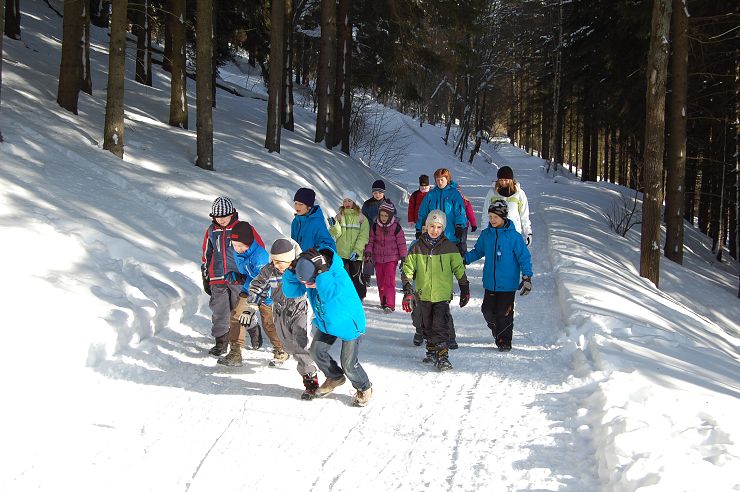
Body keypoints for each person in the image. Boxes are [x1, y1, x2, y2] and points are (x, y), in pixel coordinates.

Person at [283, 247, 374, 407]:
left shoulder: (338, 275)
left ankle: (364, 387)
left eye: (309, 282)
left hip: (348, 325)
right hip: (328, 322)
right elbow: (291, 292)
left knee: (349, 365)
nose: (307, 286)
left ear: (319, 272)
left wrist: (322, 274)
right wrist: (292, 271)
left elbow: (329, 294)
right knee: (316, 351)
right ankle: (335, 377)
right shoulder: (313, 274)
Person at [237, 238, 321, 399]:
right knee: (287, 345)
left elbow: (318, 282)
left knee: (300, 344)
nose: (276, 265)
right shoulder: (270, 270)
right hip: (280, 310)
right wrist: (251, 307)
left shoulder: (300, 268)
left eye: (280, 262)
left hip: (300, 309)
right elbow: (258, 286)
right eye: (274, 261)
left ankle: (310, 380)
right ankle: (292, 354)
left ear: (289, 259)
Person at [402, 210, 469, 371]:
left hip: (442, 295)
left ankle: (442, 356)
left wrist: (464, 288)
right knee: (426, 324)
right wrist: (408, 291)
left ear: (443, 228)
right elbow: (407, 270)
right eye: (432, 226)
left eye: (439, 227)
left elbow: (459, 269)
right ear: (426, 226)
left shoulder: (450, 247)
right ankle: (431, 349)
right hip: (423, 294)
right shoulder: (417, 247)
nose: (435, 230)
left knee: (440, 324)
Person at [464, 200, 533, 351]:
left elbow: (524, 257)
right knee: (487, 311)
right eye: (490, 216)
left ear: (503, 216)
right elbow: (478, 251)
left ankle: (505, 341)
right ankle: (498, 330)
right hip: (491, 282)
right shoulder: (486, 235)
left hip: (508, 284)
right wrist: (464, 259)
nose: (492, 220)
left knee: (504, 313)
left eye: (495, 217)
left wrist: (527, 277)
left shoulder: (514, 237)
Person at [217, 221, 288, 367]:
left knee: (268, 324)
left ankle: (281, 350)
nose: (237, 248)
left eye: (240, 245)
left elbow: (264, 281)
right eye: (234, 245)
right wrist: (240, 277)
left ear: (248, 243)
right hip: (249, 289)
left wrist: (254, 302)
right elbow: (250, 275)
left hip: (266, 294)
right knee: (237, 316)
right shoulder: (239, 253)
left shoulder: (259, 257)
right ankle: (235, 353)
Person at [200, 196, 264, 356]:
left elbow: (257, 249)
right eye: (217, 217)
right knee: (219, 310)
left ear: (232, 214)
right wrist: (206, 275)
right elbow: (207, 254)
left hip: (239, 277)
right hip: (217, 277)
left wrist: (251, 273)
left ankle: (253, 328)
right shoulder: (211, 231)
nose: (221, 220)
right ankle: (221, 342)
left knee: (240, 308)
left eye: (224, 216)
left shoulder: (242, 229)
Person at [364, 202, 407, 313]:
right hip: (378, 258)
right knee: (380, 281)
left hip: (391, 259)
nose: (383, 218)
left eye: (386, 216)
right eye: (381, 215)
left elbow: (401, 244)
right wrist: (368, 252)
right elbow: (371, 241)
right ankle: (383, 301)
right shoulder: (375, 227)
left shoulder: (396, 228)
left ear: (391, 216)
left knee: (389, 281)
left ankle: (390, 304)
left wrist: (403, 257)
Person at [415, 168, 468, 253]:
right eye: (437, 180)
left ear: (447, 179)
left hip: (451, 234)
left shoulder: (454, 194)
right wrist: (419, 228)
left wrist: (459, 226)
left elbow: (460, 212)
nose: (440, 182)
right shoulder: (431, 195)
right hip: (434, 235)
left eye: (442, 180)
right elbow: (423, 213)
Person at [328, 192, 369, 300]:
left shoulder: (361, 218)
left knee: (356, 276)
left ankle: (359, 297)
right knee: (343, 276)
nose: (347, 203)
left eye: (349, 201)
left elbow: (363, 236)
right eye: (345, 201)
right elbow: (336, 234)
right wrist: (334, 225)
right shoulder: (339, 216)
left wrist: (357, 250)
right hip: (342, 253)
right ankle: (345, 297)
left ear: (354, 202)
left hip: (356, 254)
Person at [481, 166, 532, 246]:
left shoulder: (519, 193)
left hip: (514, 232)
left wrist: (528, 232)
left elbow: (524, 215)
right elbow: (486, 213)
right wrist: (484, 232)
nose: (503, 183)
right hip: (496, 232)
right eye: (501, 180)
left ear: (511, 180)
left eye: (506, 180)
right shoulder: (492, 193)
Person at [291, 187, 337, 252]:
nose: (297, 206)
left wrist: (314, 251)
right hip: (297, 258)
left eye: (301, 204)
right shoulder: (295, 222)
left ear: (309, 206)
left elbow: (328, 244)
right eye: (295, 203)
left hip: (311, 258)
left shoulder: (316, 222)